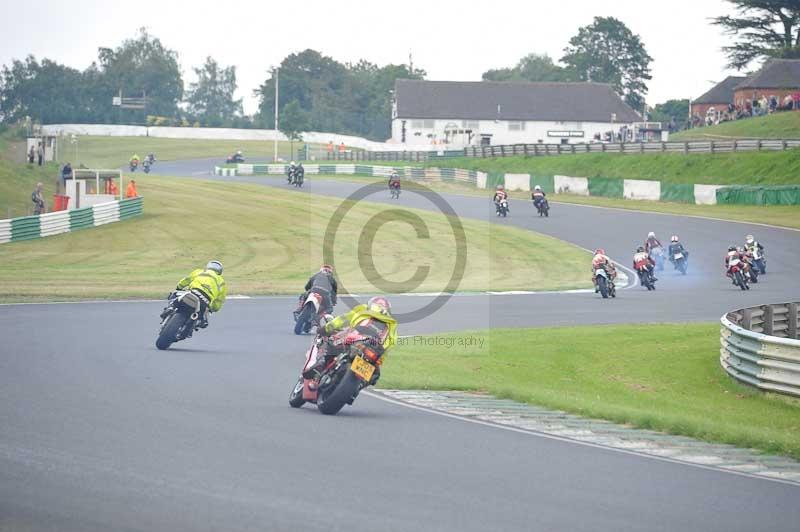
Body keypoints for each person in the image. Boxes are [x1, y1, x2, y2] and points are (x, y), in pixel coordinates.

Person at [304, 296, 398, 384]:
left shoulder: (363, 309)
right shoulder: (391, 323)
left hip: (355, 340)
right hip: (375, 349)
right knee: (375, 375)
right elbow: (391, 343)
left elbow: (342, 319)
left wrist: (327, 328)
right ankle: (359, 385)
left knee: (332, 342)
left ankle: (322, 363)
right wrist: (380, 358)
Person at [172, 260, 227, 328]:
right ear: (220, 271)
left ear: (208, 266)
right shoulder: (221, 282)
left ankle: (170, 308)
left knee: (174, 298)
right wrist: (213, 309)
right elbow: (219, 300)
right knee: (202, 321)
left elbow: (187, 280)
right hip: (205, 301)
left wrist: (179, 287)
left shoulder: (199, 271)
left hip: (192, 292)